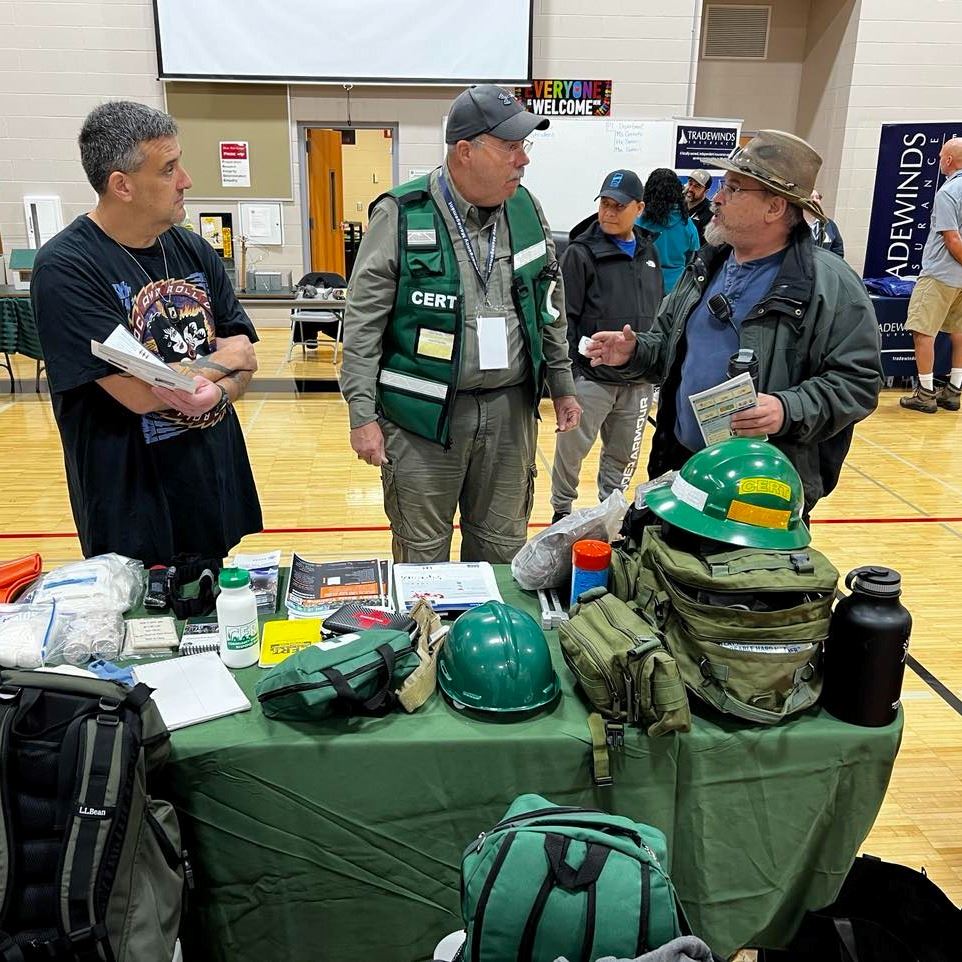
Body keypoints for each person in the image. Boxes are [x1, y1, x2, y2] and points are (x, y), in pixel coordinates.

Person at [585, 130, 883, 517]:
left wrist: (786, 408)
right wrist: (635, 351)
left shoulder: (832, 286)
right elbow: (670, 349)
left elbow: (859, 383)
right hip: (682, 467)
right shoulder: (707, 266)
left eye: (734, 188)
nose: (717, 198)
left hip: (762, 488)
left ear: (774, 207)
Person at [341, 84, 581, 563]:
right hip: (422, 421)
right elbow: (363, 324)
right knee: (422, 556)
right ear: (465, 151)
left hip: (511, 415)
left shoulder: (527, 210)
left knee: (500, 552)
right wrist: (362, 414)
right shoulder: (401, 214)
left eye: (523, 147)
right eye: (510, 147)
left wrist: (562, 381)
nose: (523, 161)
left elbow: (548, 304)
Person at [32, 101, 262, 567]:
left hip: (208, 486)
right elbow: (138, 392)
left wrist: (215, 394)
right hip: (132, 508)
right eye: (169, 169)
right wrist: (221, 367)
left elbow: (247, 355)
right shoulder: (67, 268)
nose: (186, 181)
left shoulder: (195, 250)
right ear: (123, 185)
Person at [549, 169, 662, 523]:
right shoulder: (580, 254)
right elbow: (562, 317)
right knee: (572, 451)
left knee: (622, 457)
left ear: (639, 208)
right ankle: (560, 511)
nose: (609, 212)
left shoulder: (649, 252)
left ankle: (611, 517)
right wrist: (567, 377)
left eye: (618, 205)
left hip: (638, 381)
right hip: (591, 377)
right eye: (605, 204)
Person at [900, 137, 962, 414]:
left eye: (939, 156)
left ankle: (925, 393)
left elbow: (953, 240)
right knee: (959, 331)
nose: (938, 161)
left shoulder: (948, 193)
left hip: (941, 274)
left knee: (923, 331)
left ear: (949, 160)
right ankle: (954, 390)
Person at [636, 168, 700, 294]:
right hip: (675, 289)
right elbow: (692, 257)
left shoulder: (638, 221)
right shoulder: (687, 224)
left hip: (643, 285)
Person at [806, 188, 845, 257]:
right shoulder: (795, 223)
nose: (815, 200)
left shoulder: (829, 224)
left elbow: (838, 250)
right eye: (811, 197)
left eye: (817, 198)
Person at [684, 169, 714, 244]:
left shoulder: (711, 213)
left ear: (706, 191)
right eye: (690, 183)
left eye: (697, 186)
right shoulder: (676, 205)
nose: (690, 189)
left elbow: (706, 247)